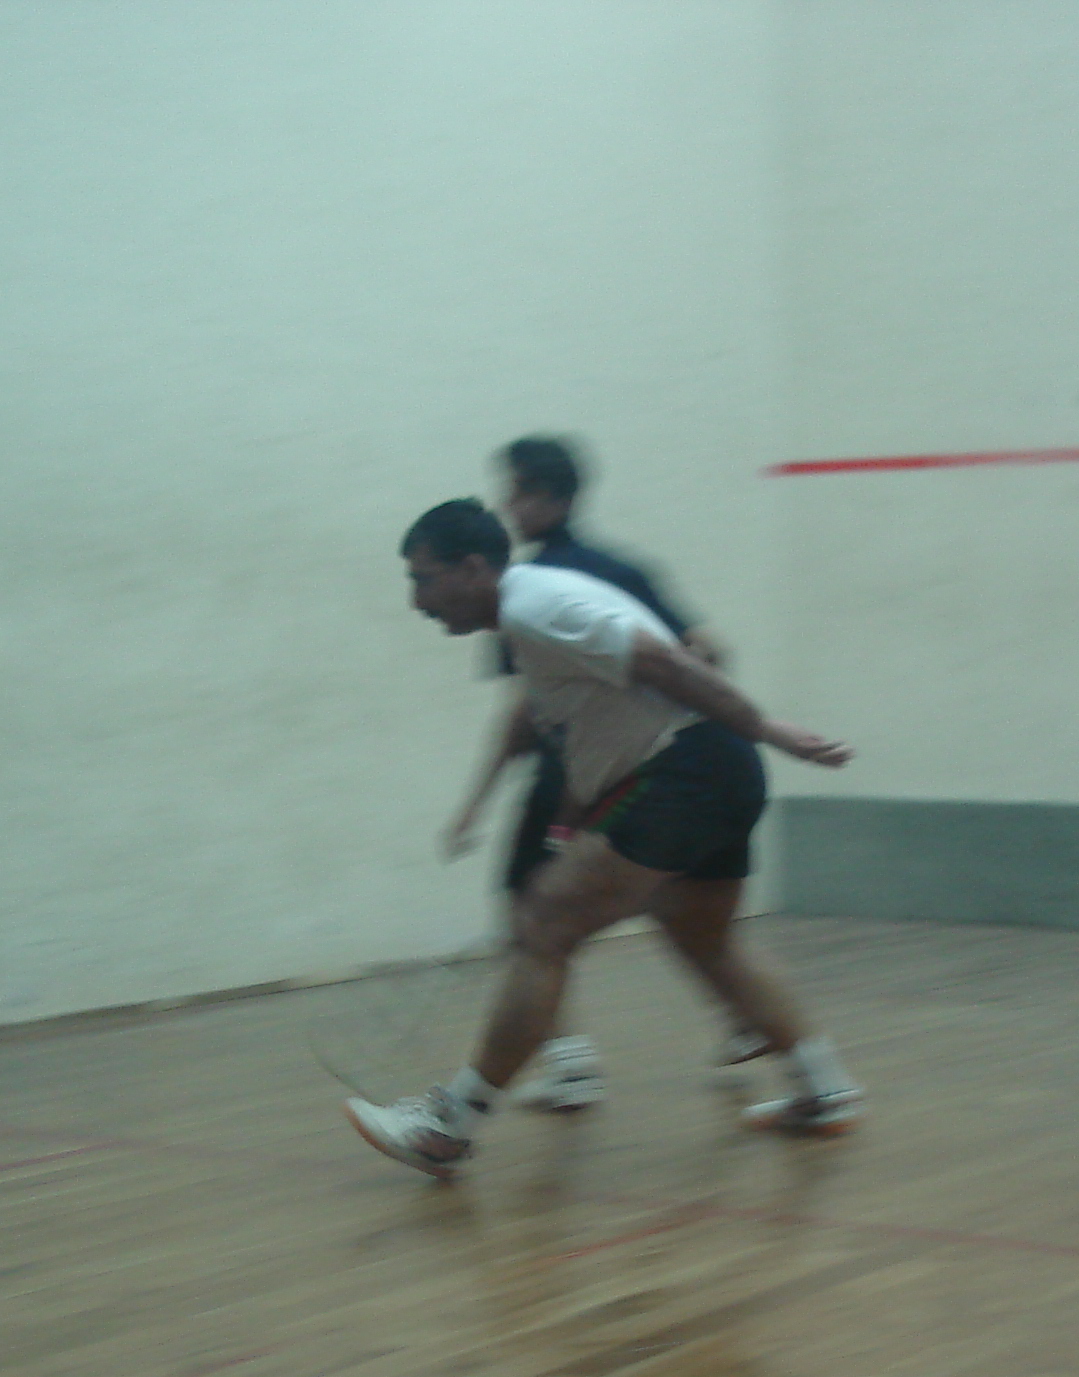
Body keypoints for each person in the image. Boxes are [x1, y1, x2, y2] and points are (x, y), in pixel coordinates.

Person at [348, 498, 862, 1180]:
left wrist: (770, 729)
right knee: (706, 939)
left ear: (472, 568)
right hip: (717, 771)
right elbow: (588, 726)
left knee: (543, 927)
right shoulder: (528, 618)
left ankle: (448, 1126)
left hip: (687, 773)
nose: (417, 601)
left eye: (424, 579)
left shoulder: (537, 608)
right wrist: (571, 820)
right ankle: (823, 1089)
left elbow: (667, 661)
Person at [440, 436, 769, 1112]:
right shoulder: (620, 569)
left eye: (518, 491)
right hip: (662, 774)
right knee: (679, 912)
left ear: (551, 498)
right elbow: (705, 651)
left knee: (533, 916)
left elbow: (524, 713)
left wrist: (476, 801)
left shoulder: (525, 590)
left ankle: (564, 1066)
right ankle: (753, 1027)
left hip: (585, 776)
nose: (508, 504)